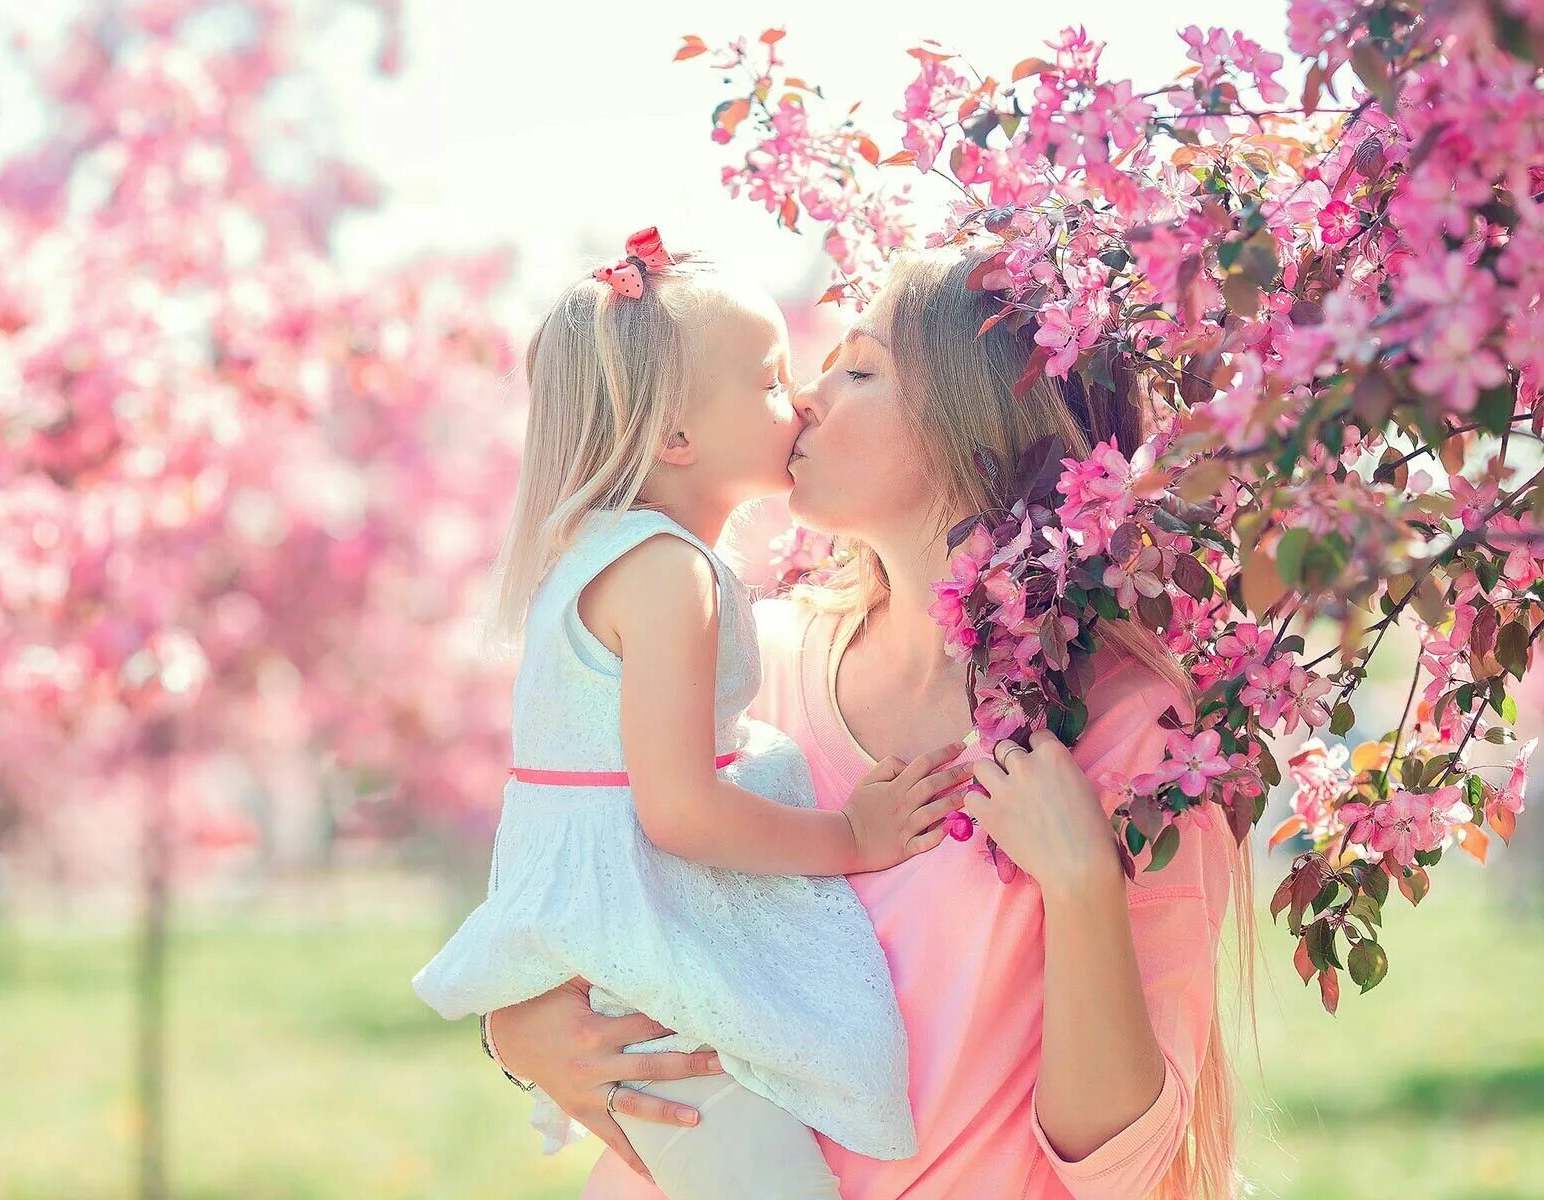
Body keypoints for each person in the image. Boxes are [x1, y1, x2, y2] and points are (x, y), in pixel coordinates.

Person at [486, 245, 1258, 1200]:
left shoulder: (1130, 734)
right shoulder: (746, 669)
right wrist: (519, 1029)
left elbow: (1117, 1169)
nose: (804, 398)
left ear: (979, 428)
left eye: (858, 369)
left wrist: (1081, 884)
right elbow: (585, 881)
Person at [413, 229, 978, 1199]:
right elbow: (678, 813)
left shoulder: (608, 554)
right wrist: (853, 833)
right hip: (641, 943)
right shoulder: (671, 575)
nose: (801, 400)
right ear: (677, 439)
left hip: (611, 933)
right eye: (768, 383)